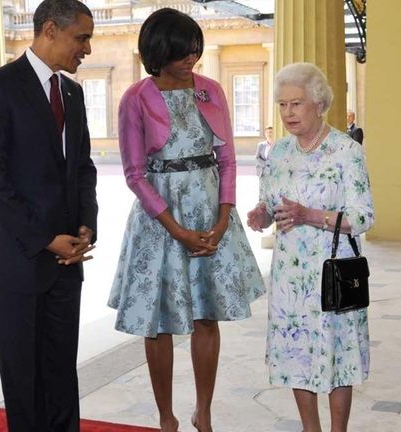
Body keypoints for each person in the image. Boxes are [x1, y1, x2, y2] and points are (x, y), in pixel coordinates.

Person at [107, 8, 265, 432]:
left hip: (211, 217)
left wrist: (222, 218)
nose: (191, 58)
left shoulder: (210, 89)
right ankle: (165, 416)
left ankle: (204, 412)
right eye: (182, 51)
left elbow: (228, 159)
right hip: (161, 219)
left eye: (195, 48)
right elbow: (134, 175)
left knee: (206, 316)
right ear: (158, 52)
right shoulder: (136, 98)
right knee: (159, 323)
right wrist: (176, 229)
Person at [0, 0, 98, 431]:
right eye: (81, 38)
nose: (88, 50)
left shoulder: (74, 94)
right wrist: (46, 237)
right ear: (49, 30)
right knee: (23, 377)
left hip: (67, 259)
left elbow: (82, 167)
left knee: (62, 372)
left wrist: (85, 227)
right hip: (18, 257)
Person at [247, 62, 374, 432]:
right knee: (297, 355)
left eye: (296, 104)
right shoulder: (279, 153)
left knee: (337, 357)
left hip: (332, 271)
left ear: (319, 104)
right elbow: (272, 203)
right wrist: (262, 214)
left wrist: (309, 215)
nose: (288, 113)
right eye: (283, 105)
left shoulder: (346, 151)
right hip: (290, 276)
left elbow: (363, 217)